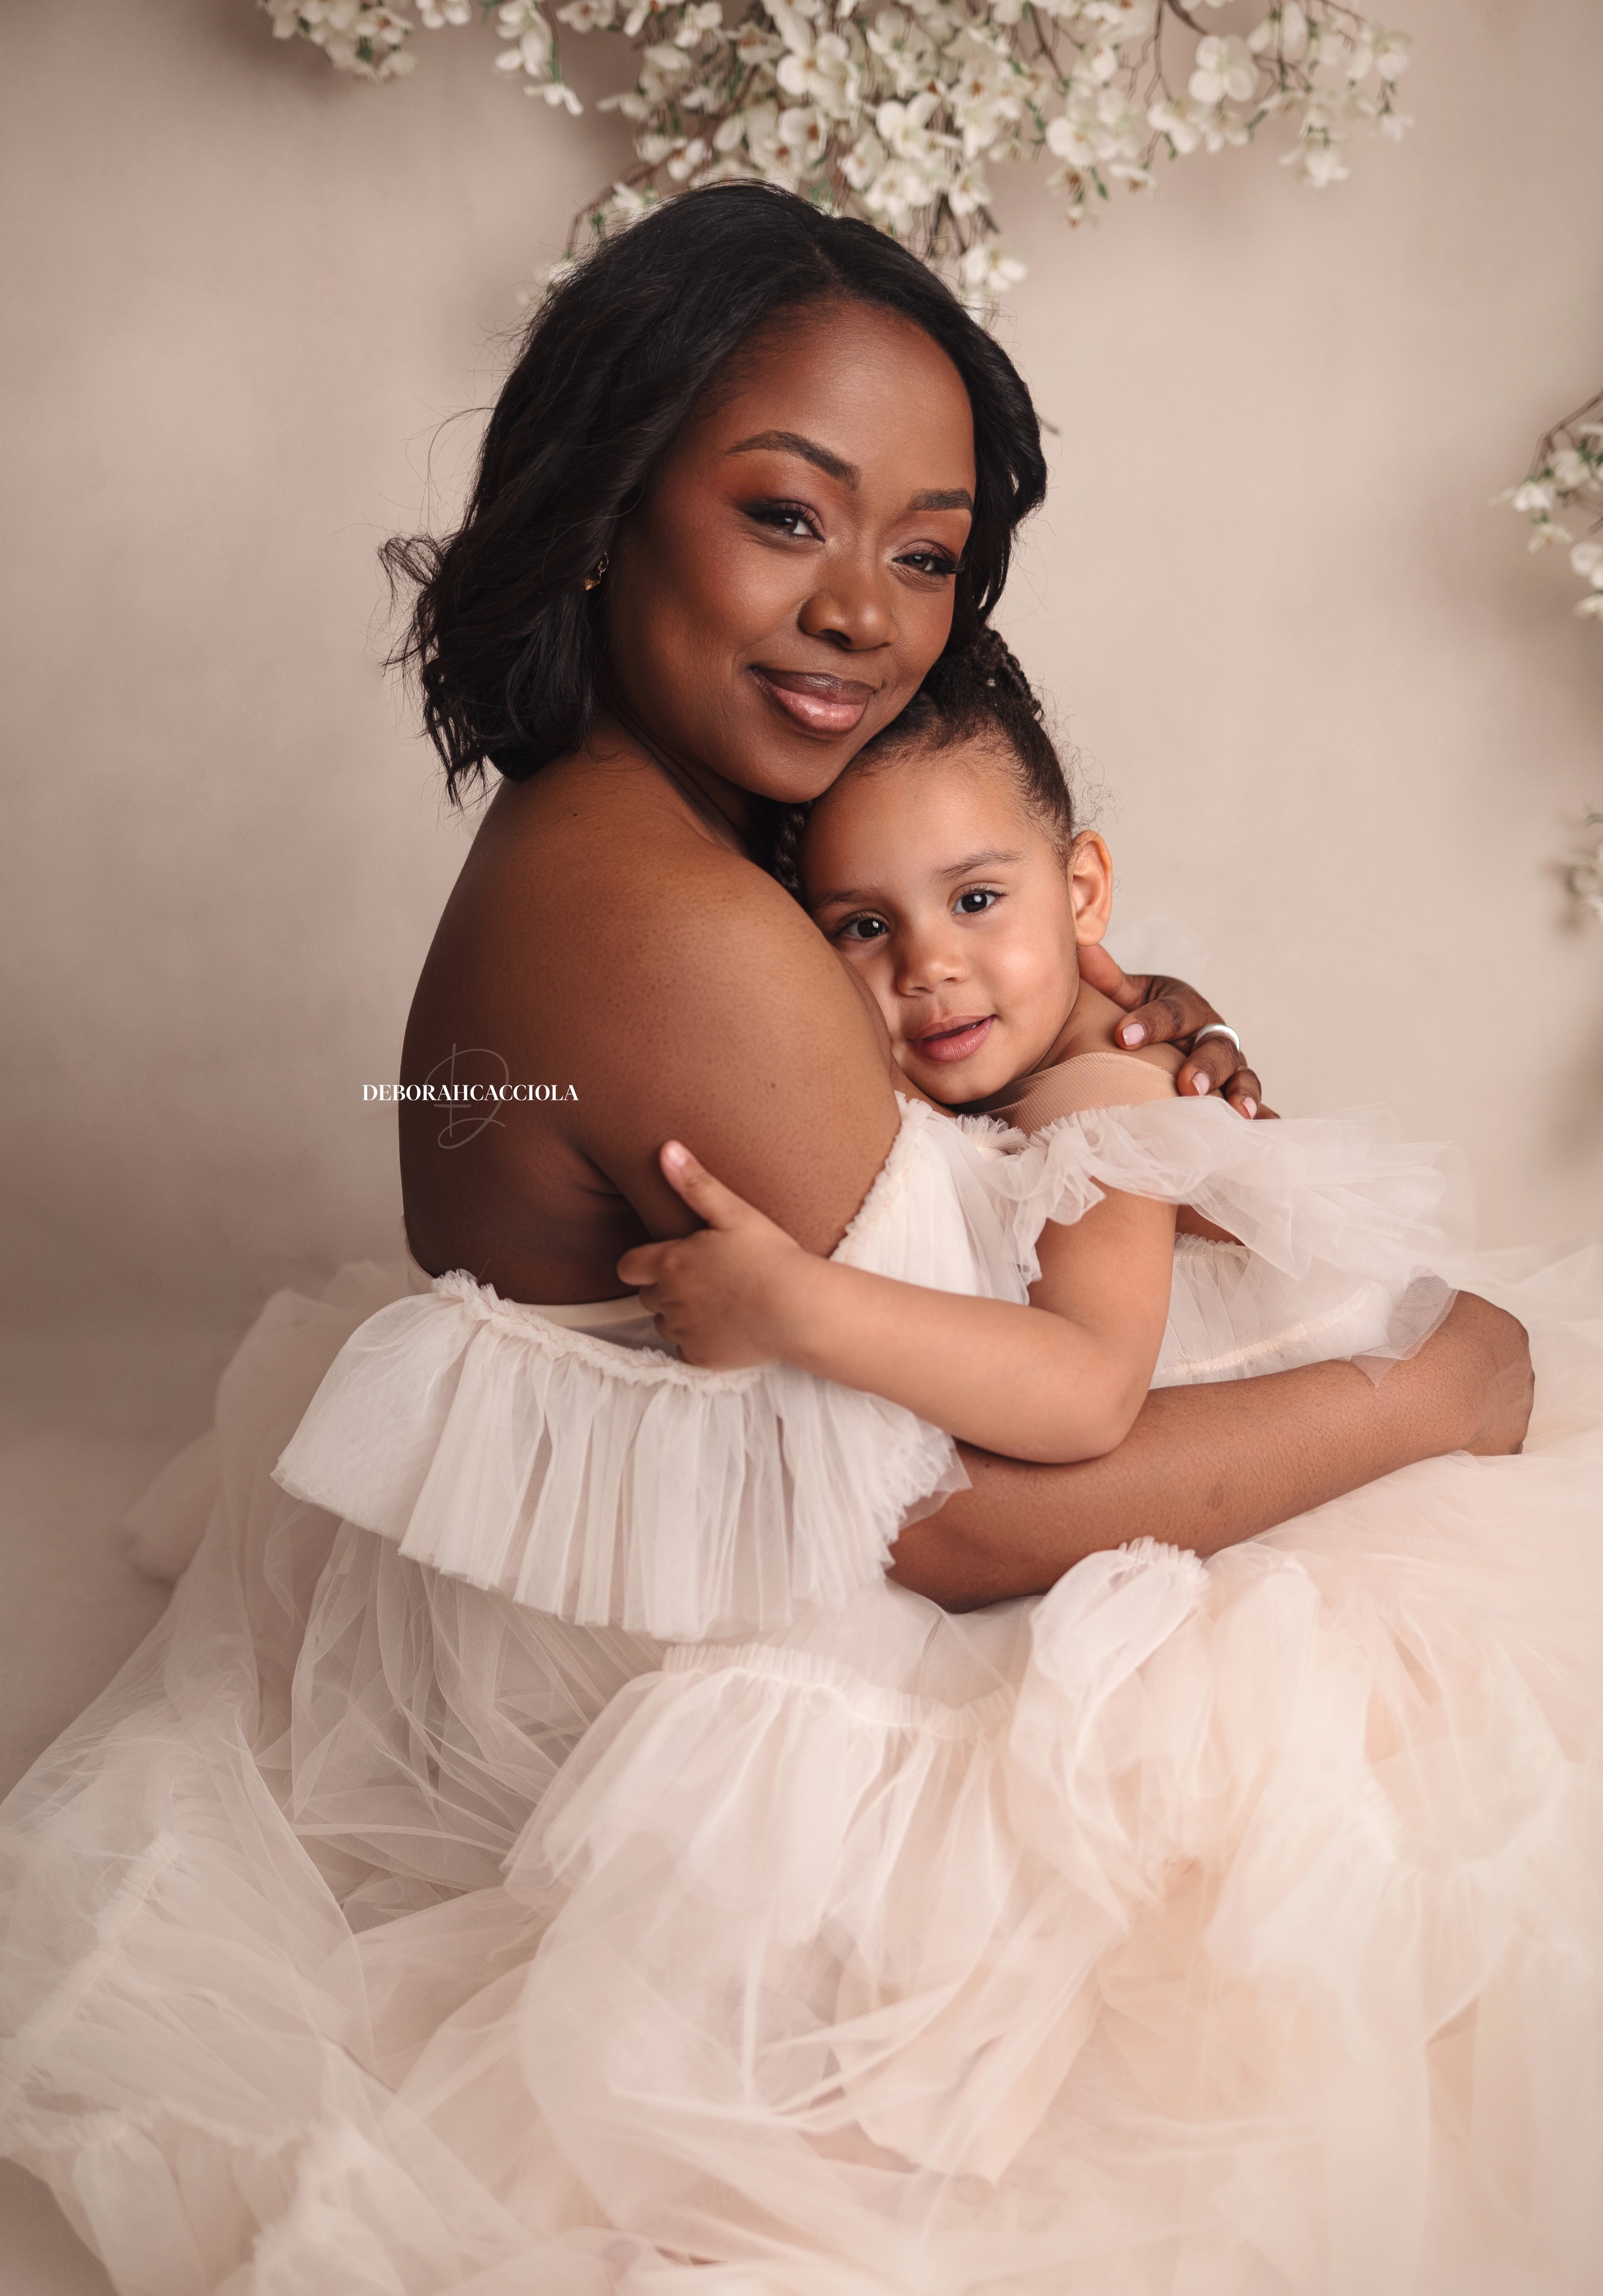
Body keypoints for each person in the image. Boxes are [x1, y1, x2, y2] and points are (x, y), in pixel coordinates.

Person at [0, 185, 1579, 2296]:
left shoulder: (648, 811)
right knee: (1415, 1761)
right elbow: (958, 1527)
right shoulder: (676, 928)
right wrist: (1428, 1384)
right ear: (601, 507)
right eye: (787, 515)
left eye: (922, 551)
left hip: (804, 1466)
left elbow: (915, 1076)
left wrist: (1085, 1069)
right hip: (750, 1687)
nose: (866, 613)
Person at [615, 635, 1463, 1474]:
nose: (928, 967)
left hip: (1293, 1471)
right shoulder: (1001, 1048)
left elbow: (1086, 1392)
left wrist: (788, 1305)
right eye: (865, 928)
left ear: (1082, 891)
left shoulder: (1106, 1100)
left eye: (975, 899)